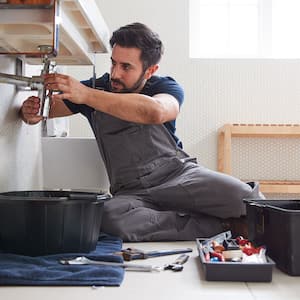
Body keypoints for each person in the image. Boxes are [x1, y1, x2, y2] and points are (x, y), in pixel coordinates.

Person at [20, 22, 263, 241]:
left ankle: (179, 216)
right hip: (131, 192)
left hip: (178, 176)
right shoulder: (98, 87)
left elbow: (157, 111)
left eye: (126, 67)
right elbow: (47, 110)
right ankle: (223, 225)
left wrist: (87, 95)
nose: (115, 74)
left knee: (244, 198)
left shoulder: (165, 87)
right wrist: (31, 112)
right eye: (113, 63)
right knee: (108, 217)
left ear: (150, 70)